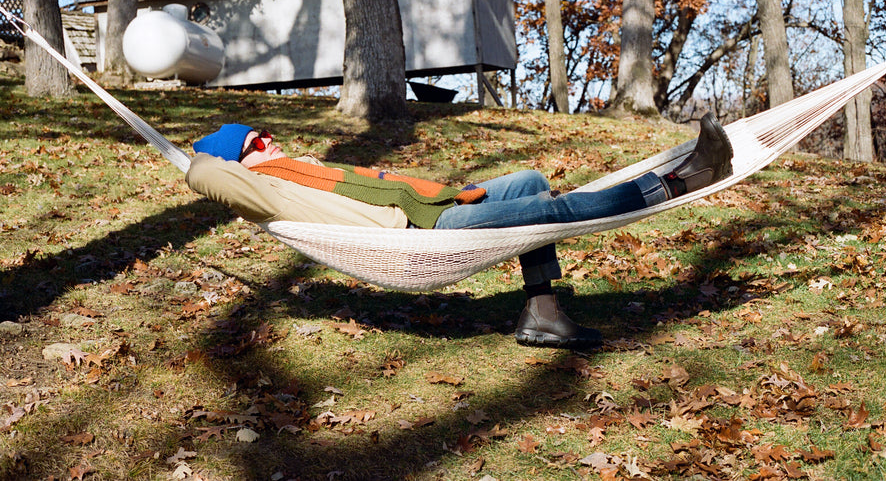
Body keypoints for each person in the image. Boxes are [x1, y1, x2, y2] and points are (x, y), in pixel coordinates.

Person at [186, 113, 733, 349]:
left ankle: (541, 314)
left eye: (264, 135)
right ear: (240, 166)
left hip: (432, 210)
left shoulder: (302, 169)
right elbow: (202, 172)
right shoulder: (266, 192)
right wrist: (209, 154)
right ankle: (680, 181)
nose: (269, 142)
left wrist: (257, 153)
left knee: (528, 182)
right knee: (556, 209)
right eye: (254, 145)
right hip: (418, 235)